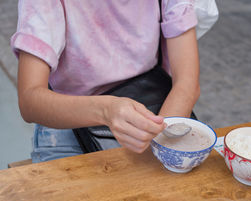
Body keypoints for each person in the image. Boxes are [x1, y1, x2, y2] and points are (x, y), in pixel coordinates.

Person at [11, 0, 200, 163]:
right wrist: (106, 111)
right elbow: (30, 101)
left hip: (157, 108)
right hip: (68, 123)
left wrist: (158, 141)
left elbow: (187, 84)